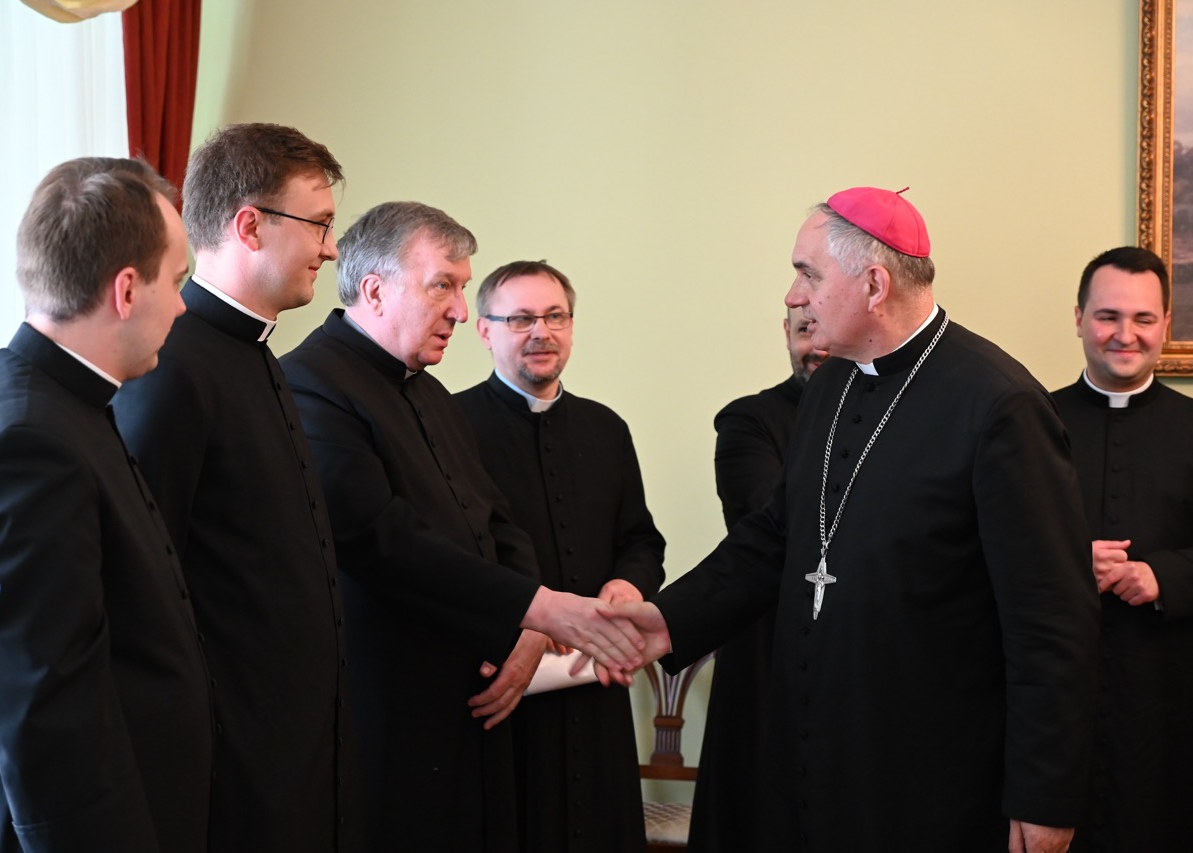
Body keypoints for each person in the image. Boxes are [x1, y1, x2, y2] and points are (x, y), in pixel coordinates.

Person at [618, 187, 1099, 853]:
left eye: (808, 274)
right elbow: (776, 537)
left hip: (935, 776)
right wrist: (666, 620)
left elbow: (1051, 620)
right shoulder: (833, 383)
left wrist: (1045, 798)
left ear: (874, 284)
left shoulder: (999, 405)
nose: (794, 295)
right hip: (817, 760)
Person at [279, 202, 646, 853]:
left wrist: (529, 628)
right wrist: (540, 610)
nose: (456, 308)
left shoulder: (426, 390)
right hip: (394, 705)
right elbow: (382, 538)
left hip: (474, 700)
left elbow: (496, 520)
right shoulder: (310, 383)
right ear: (375, 290)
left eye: (460, 287)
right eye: (442, 286)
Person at [0, 157, 210, 852]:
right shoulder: (28, 445)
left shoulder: (47, 403)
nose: (183, 306)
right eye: (177, 281)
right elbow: (48, 722)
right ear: (126, 289)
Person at [112, 124, 353, 851]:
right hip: (229, 756)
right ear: (250, 226)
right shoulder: (173, 367)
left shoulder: (258, 351)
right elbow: (143, 582)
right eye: (320, 224)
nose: (331, 249)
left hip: (289, 743)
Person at [454, 260, 667, 853]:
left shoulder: (606, 428)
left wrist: (628, 585)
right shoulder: (450, 425)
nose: (541, 332)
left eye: (555, 317)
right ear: (485, 330)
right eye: (521, 319)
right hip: (504, 688)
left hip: (594, 684)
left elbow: (642, 540)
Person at [1050, 247, 1193, 853]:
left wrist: (1168, 575)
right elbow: (981, 544)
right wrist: (1067, 565)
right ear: (1079, 318)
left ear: (1166, 324)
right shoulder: (1031, 423)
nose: (1125, 335)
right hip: (1056, 698)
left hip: (1169, 698)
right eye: (1108, 316)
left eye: (1143, 319)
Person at [688, 304, 827, 853]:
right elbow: (774, 521)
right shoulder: (750, 420)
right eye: (803, 331)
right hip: (768, 656)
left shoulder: (900, 417)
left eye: (825, 331)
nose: (815, 347)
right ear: (786, 335)